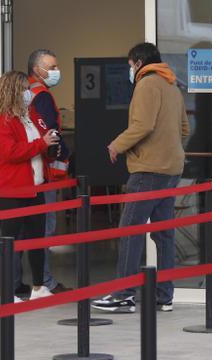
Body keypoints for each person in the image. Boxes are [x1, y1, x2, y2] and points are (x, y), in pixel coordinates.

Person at [91, 42, 189, 313]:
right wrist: (169, 150)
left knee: (130, 230)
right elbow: (184, 127)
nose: (130, 70)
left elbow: (143, 125)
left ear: (138, 62)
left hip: (148, 170)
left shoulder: (147, 84)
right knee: (164, 235)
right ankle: (164, 295)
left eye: (130, 65)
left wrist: (117, 145)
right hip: (171, 169)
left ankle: (123, 293)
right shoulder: (172, 85)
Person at [0, 71, 61, 306]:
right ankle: (4, 293)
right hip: (12, 191)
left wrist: (50, 145)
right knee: (9, 241)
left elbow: (38, 145)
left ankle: (38, 287)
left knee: (36, 240)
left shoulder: (30, 116)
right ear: (12, 92)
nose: (29, 93)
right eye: (24, 88)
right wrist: (41, 143)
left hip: (35, 187)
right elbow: (11, 152)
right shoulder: (0, 123)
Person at [16, 48, 70, 296]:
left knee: (21, 231)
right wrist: (65, 152)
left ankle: (20, 283)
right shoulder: (42, 97)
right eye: (51, 67)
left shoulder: (23, 94)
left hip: (26, 173)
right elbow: (51, 134)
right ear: (37, 69)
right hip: (44, 173)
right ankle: (45, 281)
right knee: (43, 230)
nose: (55, 71)